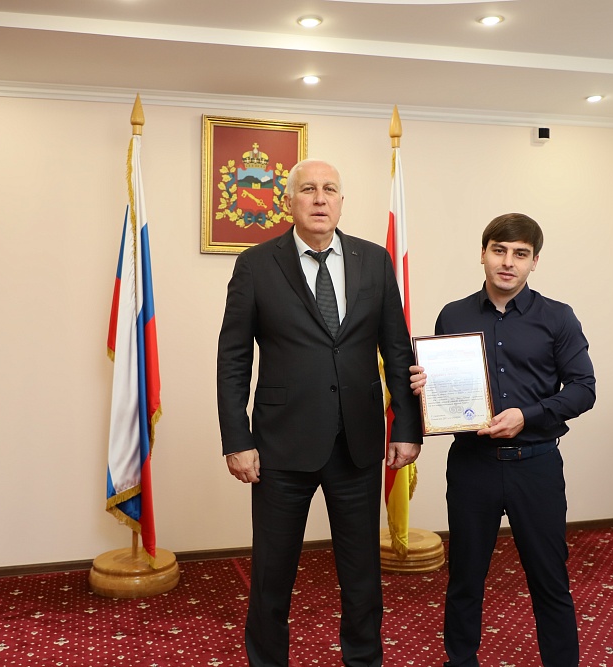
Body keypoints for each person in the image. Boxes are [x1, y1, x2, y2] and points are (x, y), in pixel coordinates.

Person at [217, 159, 424, 667]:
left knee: (362, 576)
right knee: (272, 576)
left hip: (358, 444)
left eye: (329, 189)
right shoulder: (256, 265)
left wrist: (407, 426)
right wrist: (237, 438)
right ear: (289, 202)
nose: (319, 198)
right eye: (307, 189)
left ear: (341, 201)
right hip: (280, 446)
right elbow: (233, 358)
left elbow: (397, 350)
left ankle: (363, 660)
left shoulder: (374, 260)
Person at [410, 213, 596, 667]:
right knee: (465, 578)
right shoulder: (453, 314)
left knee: (549, 579)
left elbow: (583, 389)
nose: (508, 262)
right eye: (499, 250)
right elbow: (446, 387)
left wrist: (526, 416)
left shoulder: (558, 317)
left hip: (536, 464)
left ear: (534, 262)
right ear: (483, 254)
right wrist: (425, 387)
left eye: (520, 254)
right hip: (472, 464)